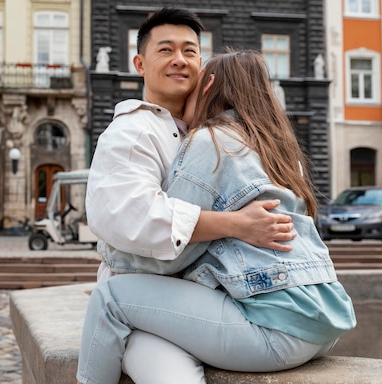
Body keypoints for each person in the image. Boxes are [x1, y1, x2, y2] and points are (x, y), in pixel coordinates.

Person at [76, 49, 357, 384]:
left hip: (275, 329)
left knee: (109, 298)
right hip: (322, 321)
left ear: (207, 86)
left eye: (192, 89)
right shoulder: (277, 147)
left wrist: (111, 253)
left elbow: (172, 251)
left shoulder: (212, 141)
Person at [82, 8, 297, 384]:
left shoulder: (215, 134)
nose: (180, 60)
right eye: (165, 50)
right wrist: (237, 225)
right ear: (140, 63)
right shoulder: (133, 131)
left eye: (190, 51)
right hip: (145, 305)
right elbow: (133, 218)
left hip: (210, 300)